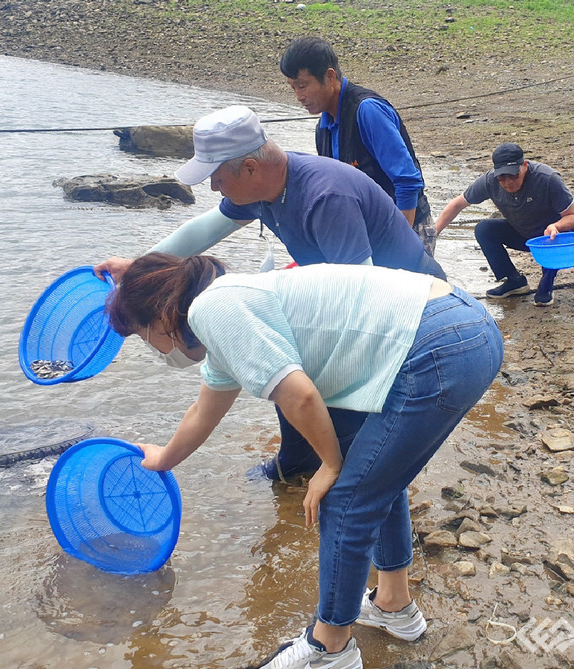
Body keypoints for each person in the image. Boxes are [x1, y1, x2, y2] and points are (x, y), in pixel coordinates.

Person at [106, 254, 503, 669]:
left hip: (440, 346)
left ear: (162, 316)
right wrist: (164, 458)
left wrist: (328, 466)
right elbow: (203, 412)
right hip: (465, 326)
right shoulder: (227, 309)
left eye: (141, 336)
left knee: (345, 496)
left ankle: (329, 648)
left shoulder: (212, 309)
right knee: (375, 480)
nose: (152, 349)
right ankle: (393, 606)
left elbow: (301, 396)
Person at [95, 105, 446, 483]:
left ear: (249, 167)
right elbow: (206, 229)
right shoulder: (263, 187)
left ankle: (343, 467)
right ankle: (303, 460)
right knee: (281, 349)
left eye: (215, 176)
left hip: (415, 309)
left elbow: (362, 295)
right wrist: (141, 267)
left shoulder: (324, 196)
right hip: (363, 290)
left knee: (308, 376)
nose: (213, 188)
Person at [280, 37, 438, 256]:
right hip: (365, 236)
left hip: (405, 229)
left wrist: (399, 242)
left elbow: (408, 182)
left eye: (303, 86)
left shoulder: (367, 111)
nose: (299, 96)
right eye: (293, 88)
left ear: (330, 76)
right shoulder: (323, 128)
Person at [435, 143, 574, 307]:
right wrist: (433, 233)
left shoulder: (547, 179)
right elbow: (457, 204)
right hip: (523, 233)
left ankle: (547, 281)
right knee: (484, 229)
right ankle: (514, 281)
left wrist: (556, 226)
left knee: (552, 239)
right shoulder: (490, 181)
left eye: (513, 175)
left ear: (524, 166)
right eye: (502, 177)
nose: (508, 182)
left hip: (554, 235)